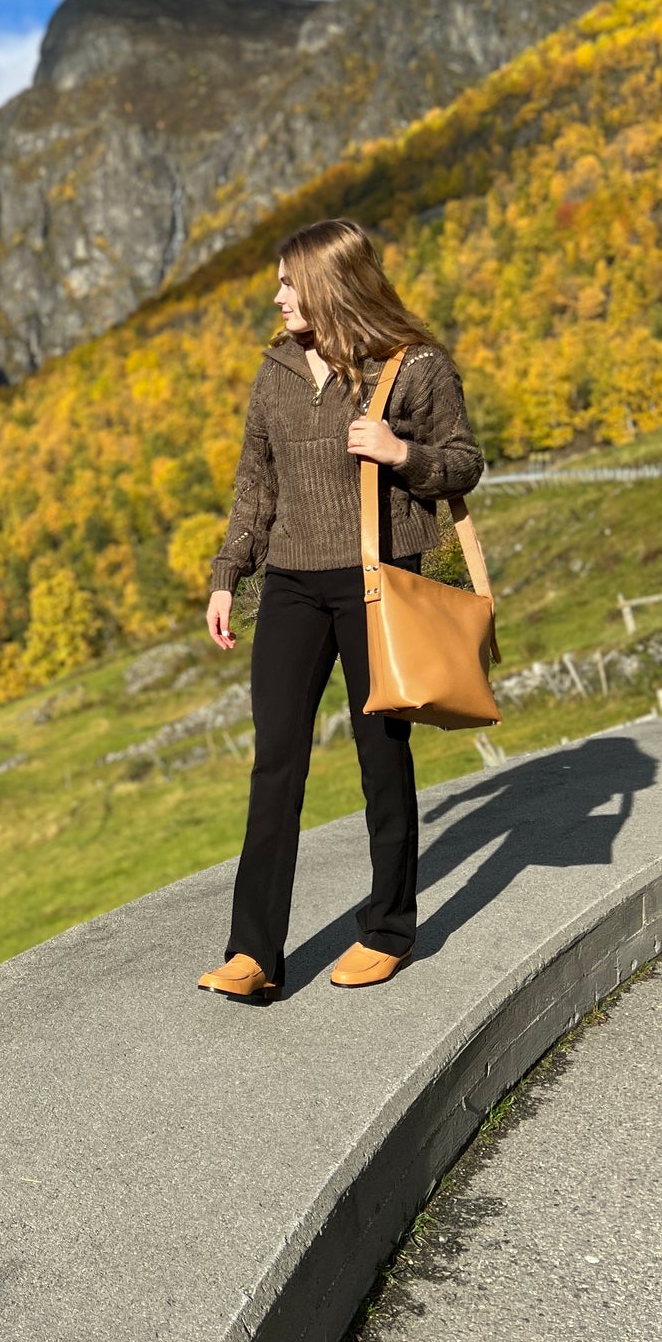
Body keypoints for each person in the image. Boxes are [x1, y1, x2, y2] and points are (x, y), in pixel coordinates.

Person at [198, 218, 484, 1002]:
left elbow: (464, 460)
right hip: (290, 581)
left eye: (290, 281)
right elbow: (255, 483)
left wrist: (401, 454)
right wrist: (229, 574)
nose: (278, 294)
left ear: (330, 284)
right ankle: (253, 954)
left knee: (379, 758)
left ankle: (389, 929)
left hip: (377, 579)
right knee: (275, 763)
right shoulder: (278, 370)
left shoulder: (413, 367)